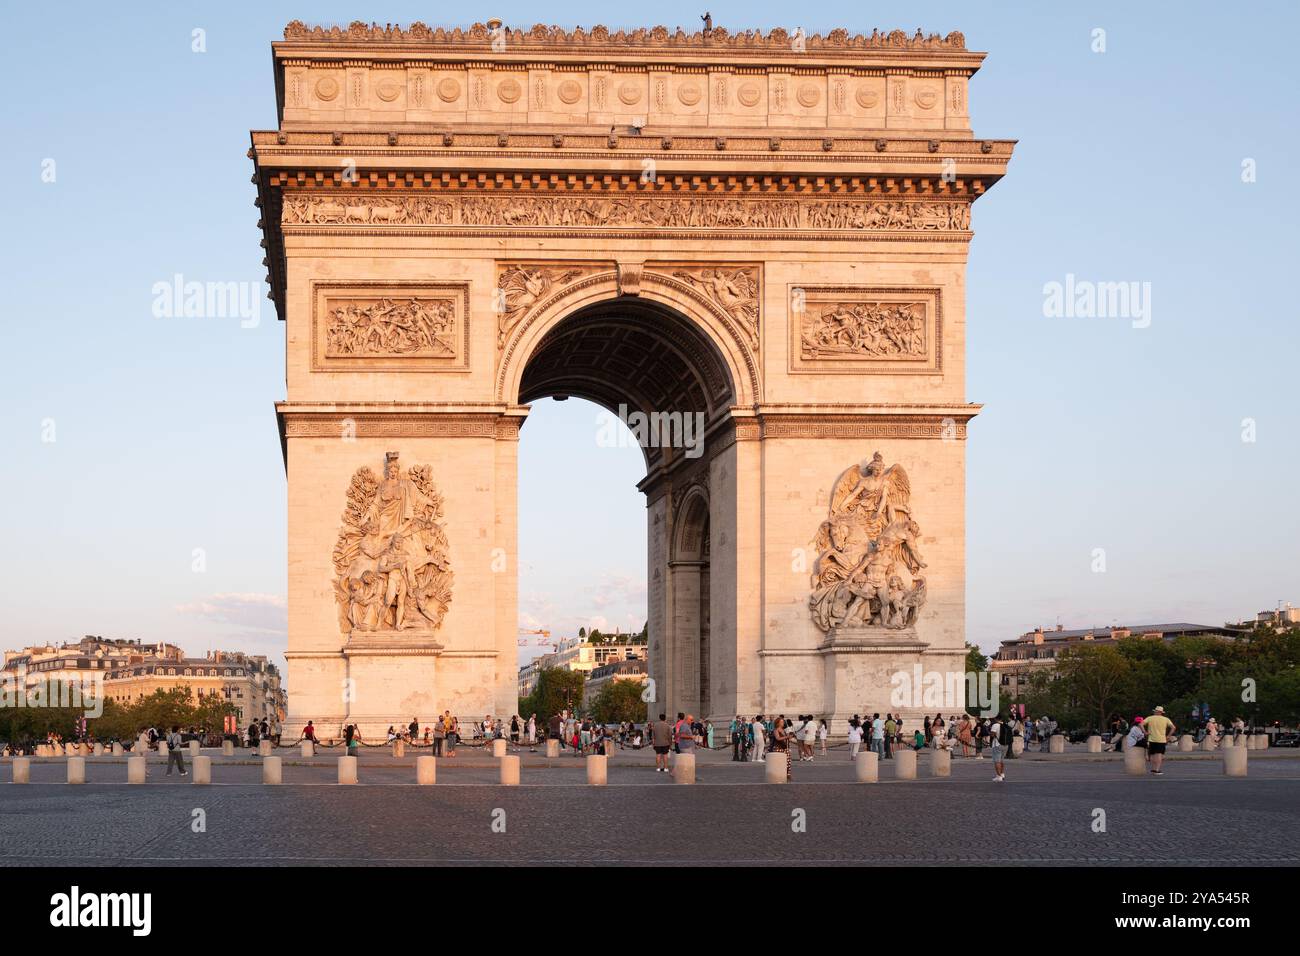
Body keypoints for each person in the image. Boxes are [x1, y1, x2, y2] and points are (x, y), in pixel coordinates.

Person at [1144, 705, 1176, 775]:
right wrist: (1168, 736)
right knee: (1159, 754)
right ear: (1161, 712)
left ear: (1155, 711)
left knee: (1152, 754)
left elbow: (1141, 724)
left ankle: (1153, 768)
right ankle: (1157, 770)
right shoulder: (1166, 719)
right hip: (1161, 739)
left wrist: (1145, 732)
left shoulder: (1150, 718)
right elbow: (1173, 727)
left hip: (1151, 739)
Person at [989, 714, 1007, 782]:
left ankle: (998, 776)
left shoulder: (995, 725)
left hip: (997, 744)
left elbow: (992, 734)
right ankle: (1002, 774)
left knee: (997, 761)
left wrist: (990, 733)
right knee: (1002, 760)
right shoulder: (1005, 724)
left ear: (996, 719)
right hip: (1005, 744)